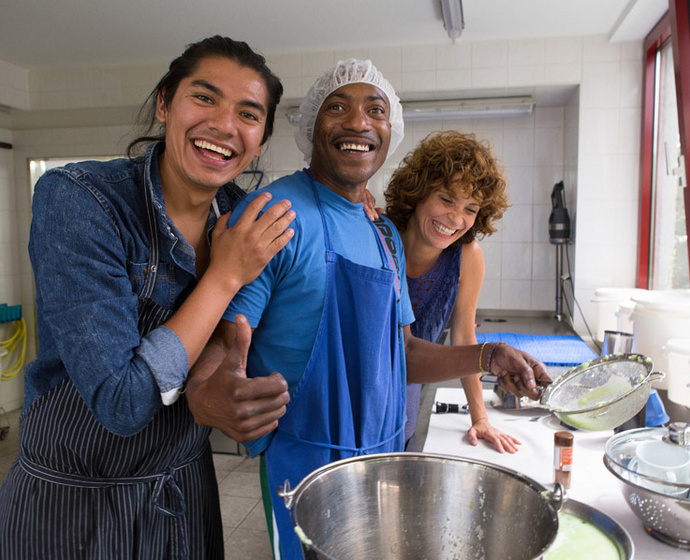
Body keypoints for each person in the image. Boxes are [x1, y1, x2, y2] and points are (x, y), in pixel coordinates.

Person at [187, 59, 551, 560]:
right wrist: (208, 395)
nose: (358, 121)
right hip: (303, 468)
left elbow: (400, 355)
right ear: (312, 125)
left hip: (383, 457)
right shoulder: (274, 214)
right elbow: (223, 344)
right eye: (338, 107)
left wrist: (487, 355)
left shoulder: (384, 236)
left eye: (374, 109)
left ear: (389, 130)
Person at [0, 36, 295, 560]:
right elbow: (121, 401)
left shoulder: (244, 218)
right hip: (74, 502)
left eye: (248, 114)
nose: (225, 125)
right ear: (164, 103)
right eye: (204, 98)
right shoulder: (82, 199)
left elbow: (231, 340)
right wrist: (223, 275)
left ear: (260, 139)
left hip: (182, 491)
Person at [385, 130, 521, 453]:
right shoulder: (382, 237)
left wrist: (480, 417)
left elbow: (464, 338)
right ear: (418, 191)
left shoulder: (467, 256)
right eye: (446, 199)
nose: (456, 219)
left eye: (471, 209)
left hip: (408, 394)